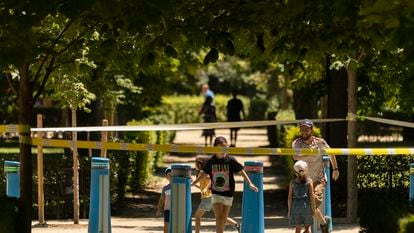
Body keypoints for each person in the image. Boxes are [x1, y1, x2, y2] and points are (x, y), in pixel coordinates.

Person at [191, 136, 258, 233]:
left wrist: (250, 183)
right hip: (216, 193)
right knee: (219, 216)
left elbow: (241, 171)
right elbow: (204, 174)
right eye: (221, 147)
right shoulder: (211, 161)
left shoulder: (230, 159)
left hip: (229, 194)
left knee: (223, 218)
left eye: (225, 147)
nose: (224, 150)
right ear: (215, 148)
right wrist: (194, 183)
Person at [292, 119, 339, 233]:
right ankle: (324, 223)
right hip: (304, 181)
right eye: (302, 129)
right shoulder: (297, 143)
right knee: (307, 207)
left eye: (306, 129)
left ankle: (311, 228)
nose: (304, 132)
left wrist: (335, 169)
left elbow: (331, 153)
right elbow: (295, 157)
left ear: (311, 130)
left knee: (311, 205)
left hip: (319, 180)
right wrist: (310, 151)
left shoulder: (320, 142)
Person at [192, 155, 240, 233]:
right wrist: (195, 185)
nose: (195, 165)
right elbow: (201, 187)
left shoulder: (202, 172)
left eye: (195, 163)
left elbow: (212, 180)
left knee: (197, 216)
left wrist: (206, 188)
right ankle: (236, 225)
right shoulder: (202, 172)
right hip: (209, 196)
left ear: (200, 164)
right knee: (221, 216)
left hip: (208, 197)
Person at [288, 160, 315, 233]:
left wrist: (289, 210)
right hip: (306, 205)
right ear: (306, 170)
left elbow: (290, 197)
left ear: (295, 172)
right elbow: (312, 195)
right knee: (307, 229)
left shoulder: (292, 183)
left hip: (295, 206)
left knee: (298, 229)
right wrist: (313, 208)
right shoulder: (309, 181)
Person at [155, 167, 172, 233]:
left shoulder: (179, 186)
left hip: (176, 210)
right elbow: (161, 199)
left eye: (173, 175)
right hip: (167, 209)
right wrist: (158, 210)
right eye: (169, 175)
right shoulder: (165, 188)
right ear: (166, 177)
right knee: (166, 225)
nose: (171, 177)